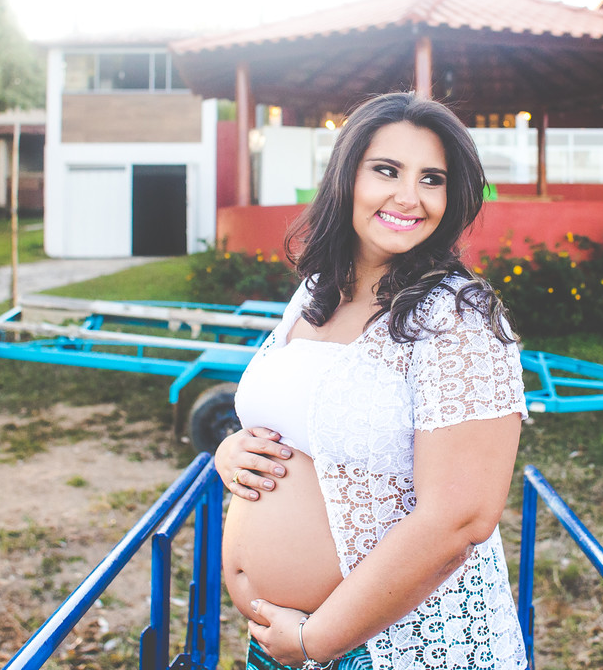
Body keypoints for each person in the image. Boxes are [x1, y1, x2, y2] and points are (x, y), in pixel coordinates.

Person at [214, 91, 528, 670]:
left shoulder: (456, 314)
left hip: (396, 649)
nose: (408, 197)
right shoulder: (313, 293)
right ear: (345, 177)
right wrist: (232, 451)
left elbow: (462, 517)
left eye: (431, 179)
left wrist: (318, 640)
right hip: (283, 642)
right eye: (386, 170)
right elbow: (295, 416)